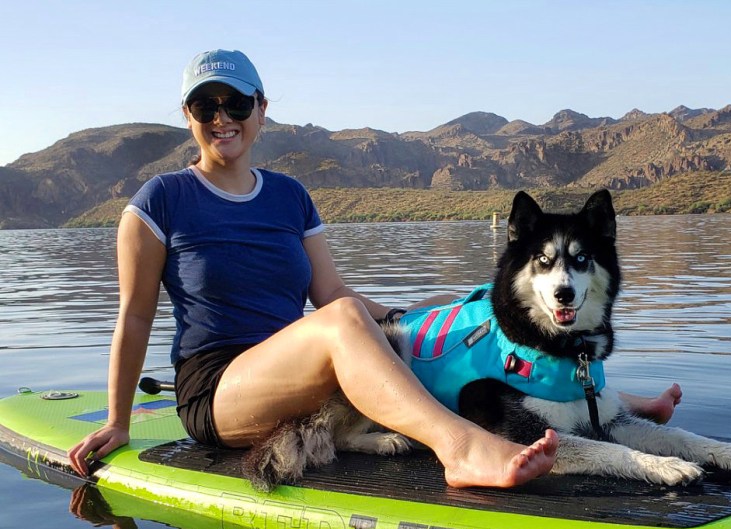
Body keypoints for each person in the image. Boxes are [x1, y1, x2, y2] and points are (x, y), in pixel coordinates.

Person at [68, 49, 677, 488]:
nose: (222, 116)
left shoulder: (289, 196)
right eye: (207, 104)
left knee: (454, 322)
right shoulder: (160, 200)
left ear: (261, 109)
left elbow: (331, 289)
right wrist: (118, 421)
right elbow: (135, 316)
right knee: (344, 320)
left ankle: (607, 401)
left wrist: (424, 318)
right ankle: (462, 449)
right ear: (188, 113)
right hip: (220, 386)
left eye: (237, 102)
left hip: (301, 366)